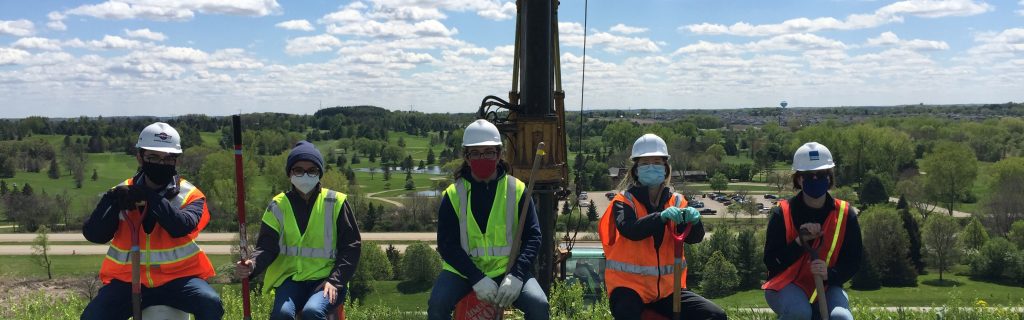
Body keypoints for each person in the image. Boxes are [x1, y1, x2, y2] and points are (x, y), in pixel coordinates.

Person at [81, 122, 223, 320]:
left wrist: (150, 197)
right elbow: (94, 234)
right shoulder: (122, 192)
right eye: (153, 157)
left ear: (176, 161)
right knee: (93, 317)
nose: (161, 164)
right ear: (140, 157)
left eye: (168, 159)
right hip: (128, 281)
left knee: (211, 304)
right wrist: (110, 201)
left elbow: (180, 226)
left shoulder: (190, 195)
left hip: (179, 280)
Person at [427, 119, 549, 320]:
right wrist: (476, 278)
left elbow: (533, 236)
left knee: (539, 305)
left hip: (507, 270)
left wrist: (517, 275)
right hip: (463, 272)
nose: (482, 158)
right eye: (475, 153)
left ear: (500, 154)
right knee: (437, 306)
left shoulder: (516, 190)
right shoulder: (453, 195)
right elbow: (447, 245)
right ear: (466, 157)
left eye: (489, 152)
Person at [598, 133, 727, 320]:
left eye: (657, 162)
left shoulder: (677, 201)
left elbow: (693, 238)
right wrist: (660, 217)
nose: (652, 167)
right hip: (629, 289)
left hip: (668, 290)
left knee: (715, 316)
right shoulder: (624, 201)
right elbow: (630, 229)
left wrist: (695, 221)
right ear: (635, 170)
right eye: (645, 163)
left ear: (666, 168)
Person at [236, 141, 361, 320]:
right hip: (291, 281)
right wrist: (252, 265)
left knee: (312, 312)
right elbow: (267, 246)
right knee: (282, 314)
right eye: (298, 170)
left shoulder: (336, 202)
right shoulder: (278, 205)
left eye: (312, 170)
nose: (305, 175)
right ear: (290, 174)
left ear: (319, 173)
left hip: (326, 280)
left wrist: (335, 280)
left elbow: (351, 247)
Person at [762, 142, 862, 320]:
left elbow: (853, 261)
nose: (815, 179)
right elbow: (771, 261)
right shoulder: (782, 213)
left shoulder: (846, 214)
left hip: (827, 285)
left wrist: (829, 274)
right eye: (809, 175)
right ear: (799, 179)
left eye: (822, 174)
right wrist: (799, 243)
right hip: (786, 284)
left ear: (829, 177)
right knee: (799, 313)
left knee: (841, 317)